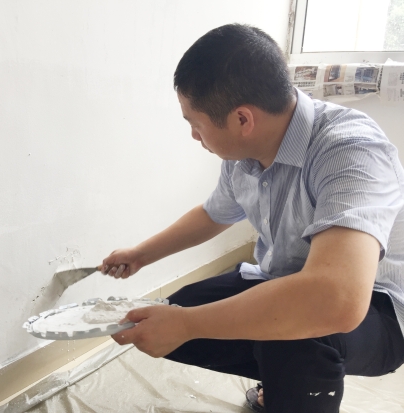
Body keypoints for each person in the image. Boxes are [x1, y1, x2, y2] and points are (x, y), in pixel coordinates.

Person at [100, 24, 404, 413]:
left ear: (243, 120)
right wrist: (141, 255)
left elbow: (337, 300)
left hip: (380, 308)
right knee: (175, 309)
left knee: (295, 337)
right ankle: (282, 378)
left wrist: (188, 325)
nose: (194, 135)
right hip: (288, 278)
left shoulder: (351, 151)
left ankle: (294, 385)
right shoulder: (244, 153)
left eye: (195, 124)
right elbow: (213, 214)